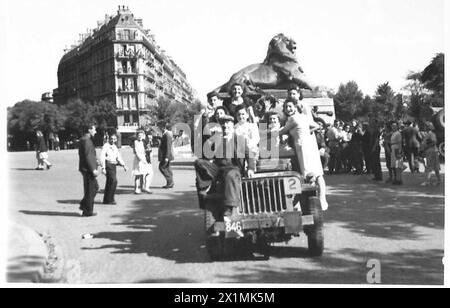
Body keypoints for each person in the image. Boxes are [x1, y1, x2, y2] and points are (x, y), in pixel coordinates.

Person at [194, 115, 256, 220]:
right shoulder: (217, 139)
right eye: (223, 124)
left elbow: (249, 155)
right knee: (199, 163)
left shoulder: (240, 139)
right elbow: (208, 154)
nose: (225, 126)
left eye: (228, 123)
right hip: (218, 169)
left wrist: (250, 168)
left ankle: (229, 207)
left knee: (230, 174)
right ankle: (205, 187)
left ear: (232, 125)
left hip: (233, 168)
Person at [279, 97, 328, 210]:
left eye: (290, 106)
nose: (288, 109)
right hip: (309, 144)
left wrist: (268, 133)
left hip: (301, 147)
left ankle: (304, 204)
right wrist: (306, 132)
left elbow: (282, 131)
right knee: (316, 172)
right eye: (286, 107)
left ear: (295, 107)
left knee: (306, 172)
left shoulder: (292, 119)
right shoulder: (304, 117)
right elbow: (317, 125)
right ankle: (320, 200)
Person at [78, 123, 99, 217]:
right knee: (90, 189)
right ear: (89, 129)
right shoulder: (86, 140)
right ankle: (87, 211)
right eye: (94, 129)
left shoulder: (86, 139)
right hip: (88, 169)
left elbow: (91, 154)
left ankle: (85, 205)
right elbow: (88, 156)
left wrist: (97, 161)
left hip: (87, 168)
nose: (96, 131)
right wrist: (93, 169)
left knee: (94, 187)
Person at [100, 134, 127, 204]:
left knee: (110, 182)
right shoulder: (106, 146)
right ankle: (110, 199)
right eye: (111, 139)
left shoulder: (115, 147)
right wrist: (103, 167)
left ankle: (107, 199)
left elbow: (118, 157)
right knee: (113, 181)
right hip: (108, 164)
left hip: (113, 165)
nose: (113, 140)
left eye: (114, 139)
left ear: (116, 140)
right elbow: (102, 156)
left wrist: (124, 165)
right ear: (109, 139)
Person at [421, 122, 441, 186]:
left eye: (425, 126)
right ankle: (439, 180)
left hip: (431, 152)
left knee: (429, 166)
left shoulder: (430, 134)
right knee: (435, 167)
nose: (424, 127)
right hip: (432, 151)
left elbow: (434, 142)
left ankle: (427, 181)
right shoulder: (429, 134)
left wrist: (426, 147)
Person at [158, 122, 175, 188]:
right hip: (166, 155)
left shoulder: (167, 134)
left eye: (161, 127)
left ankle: (170, 182)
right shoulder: (167, 134)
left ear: (164, 127)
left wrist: (167, 157)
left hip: (166, 155)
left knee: (162, 167)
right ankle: (170, 183)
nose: (160, 129)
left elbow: (168, 146)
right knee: (167, 168)